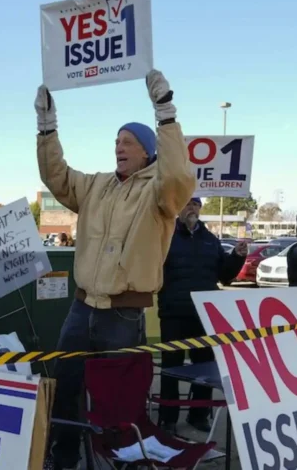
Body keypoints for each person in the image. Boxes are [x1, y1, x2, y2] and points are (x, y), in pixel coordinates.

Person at [36, 70, 194, 469]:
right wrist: (47, 128)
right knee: (67, 386)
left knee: (118, 400)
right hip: (81, 309)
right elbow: (56, 176)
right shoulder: (97, 186)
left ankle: (117, 460)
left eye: (128, 142)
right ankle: (65, 455)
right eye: (116, 142)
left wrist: (166, 113)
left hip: (123, 314)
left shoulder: (159, 192)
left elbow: (178, 174)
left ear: (147, 150)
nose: (119, 147)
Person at [157, 197, 248, 433]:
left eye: (196, 204)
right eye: (187, 203)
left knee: (205, 368)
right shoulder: (166, 236)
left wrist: (237, 257)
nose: (192, 208)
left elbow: (225, 276)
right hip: (174, 314)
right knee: (171, 367)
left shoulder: (210, 240)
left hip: (205, 315)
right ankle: (168, 419)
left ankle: (199, 415)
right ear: (178, 208)